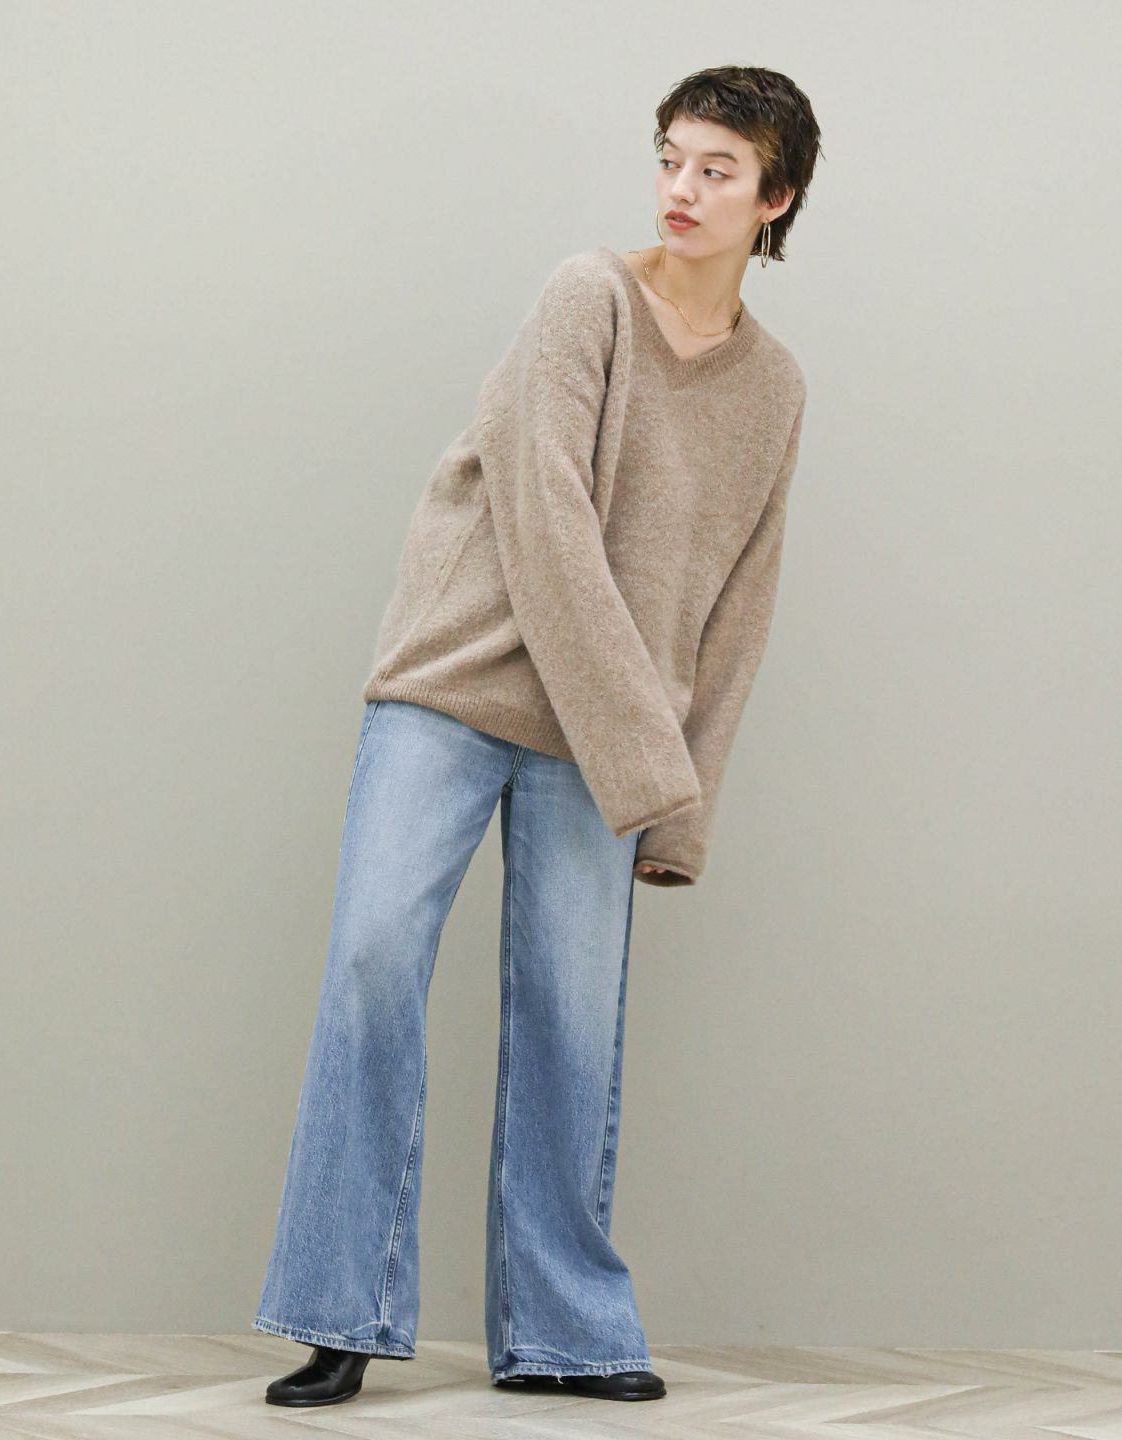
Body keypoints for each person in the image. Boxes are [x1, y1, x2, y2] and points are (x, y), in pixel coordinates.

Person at [254, 64, 823, 1407]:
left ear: (775, 199)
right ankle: (340, 1307)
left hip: (604, 738)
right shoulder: (588, 298)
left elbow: (739, 605)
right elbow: (543, 515)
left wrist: (679, 804)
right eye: (671, 158)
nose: (681, 189)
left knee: (574, 1022)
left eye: (717, 171)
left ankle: (565, 1331)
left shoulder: (774, 388)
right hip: (458, 685)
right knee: (373, 958)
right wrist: (645, 756)